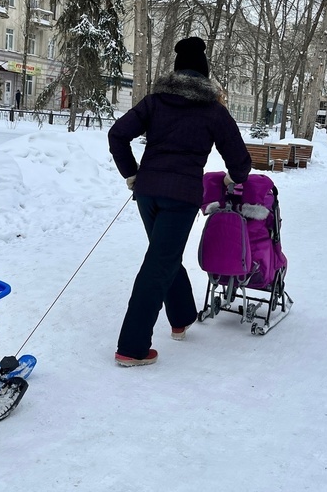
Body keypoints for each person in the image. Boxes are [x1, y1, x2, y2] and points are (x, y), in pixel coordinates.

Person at [108, 36, 252, 367]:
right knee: (160, 261)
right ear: (204, 76)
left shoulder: (155, 102)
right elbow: (241, 164)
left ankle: (182, 316)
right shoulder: (213, 111)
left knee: (164, 254)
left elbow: (117, 135)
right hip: (182, 196)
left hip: (147, 192)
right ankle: (132, 347)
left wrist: (132, 174)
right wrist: (232, 179)